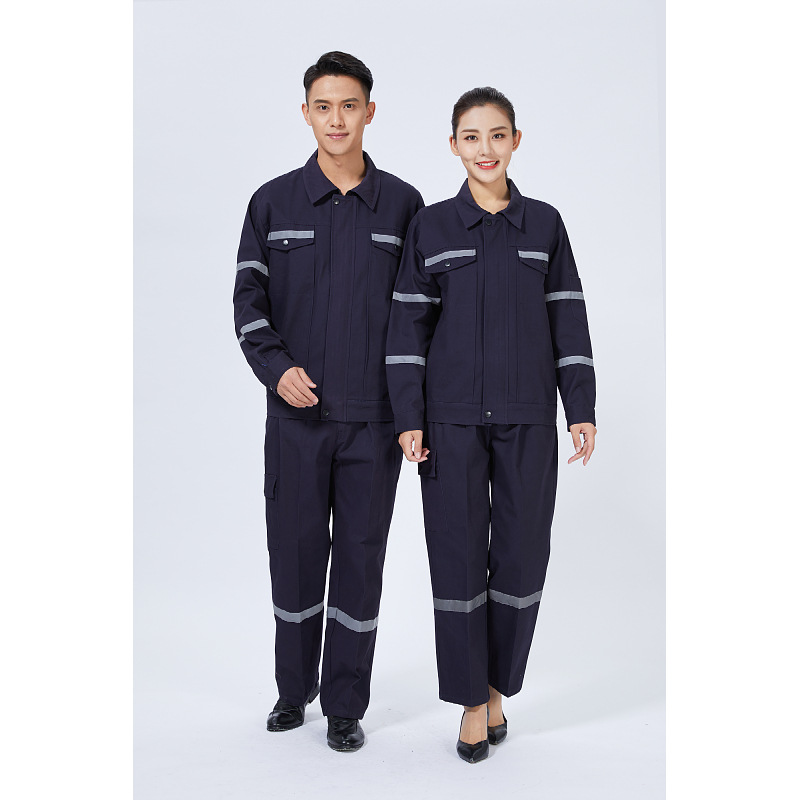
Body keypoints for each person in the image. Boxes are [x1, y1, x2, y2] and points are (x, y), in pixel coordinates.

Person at [385, 87, 597, 763]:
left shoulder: (545, 225)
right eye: (471, 137)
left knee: (521, 556)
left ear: (516, 141)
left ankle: (499, 688)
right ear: (454, 146)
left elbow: (569, 318)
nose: (485, 149)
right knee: (456, 560)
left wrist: (580, 407)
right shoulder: (431, 227)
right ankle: (472, 704)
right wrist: (409, 416)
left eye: (497, 135)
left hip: (529, 417)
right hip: (448, 423)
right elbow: (407, 329)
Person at [233, 52, 423, 753]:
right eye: (323, 106)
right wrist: (275, 368)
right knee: (295, 554)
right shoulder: (272, 203)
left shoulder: (404, 207)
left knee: (360, 564)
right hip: (297, 422)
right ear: (306, 113)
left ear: (370, 112)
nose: (336, 119)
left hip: (374, 423)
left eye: (349, 106)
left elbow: (420, 316)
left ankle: (344, 704)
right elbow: (248, 303)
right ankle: (293, 690)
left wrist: (413, 413)